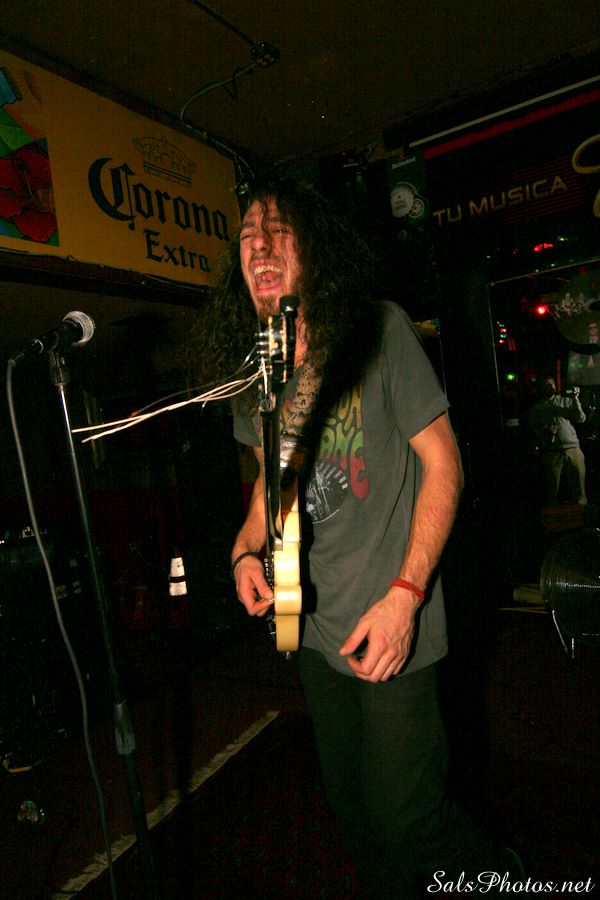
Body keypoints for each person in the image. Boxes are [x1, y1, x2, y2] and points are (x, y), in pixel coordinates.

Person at [196, 178, 520, 897]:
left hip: (392, 614)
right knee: (354, 815)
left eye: (278, 230)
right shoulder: (259, 371)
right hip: (311, 626)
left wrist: (406, 595)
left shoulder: (376, 330)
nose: (259, 245)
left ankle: (504, 880)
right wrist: (245, 548)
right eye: (247, 235)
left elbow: (445, 464)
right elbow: (268, 484)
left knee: (409, 820)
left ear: (312, 251)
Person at [528, 375, 587, 506]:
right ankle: (553, 513)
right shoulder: (537, 408)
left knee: (579, 484)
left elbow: (581, 418)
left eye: (552, 384)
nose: (551, 386)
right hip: (551, 451)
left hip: (572, 448)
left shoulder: (565, 401)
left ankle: (582, 512)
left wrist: (575, 399)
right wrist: (546, 431)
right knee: (552, 487)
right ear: (541, 388)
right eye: (547, 384)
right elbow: (533, 430)